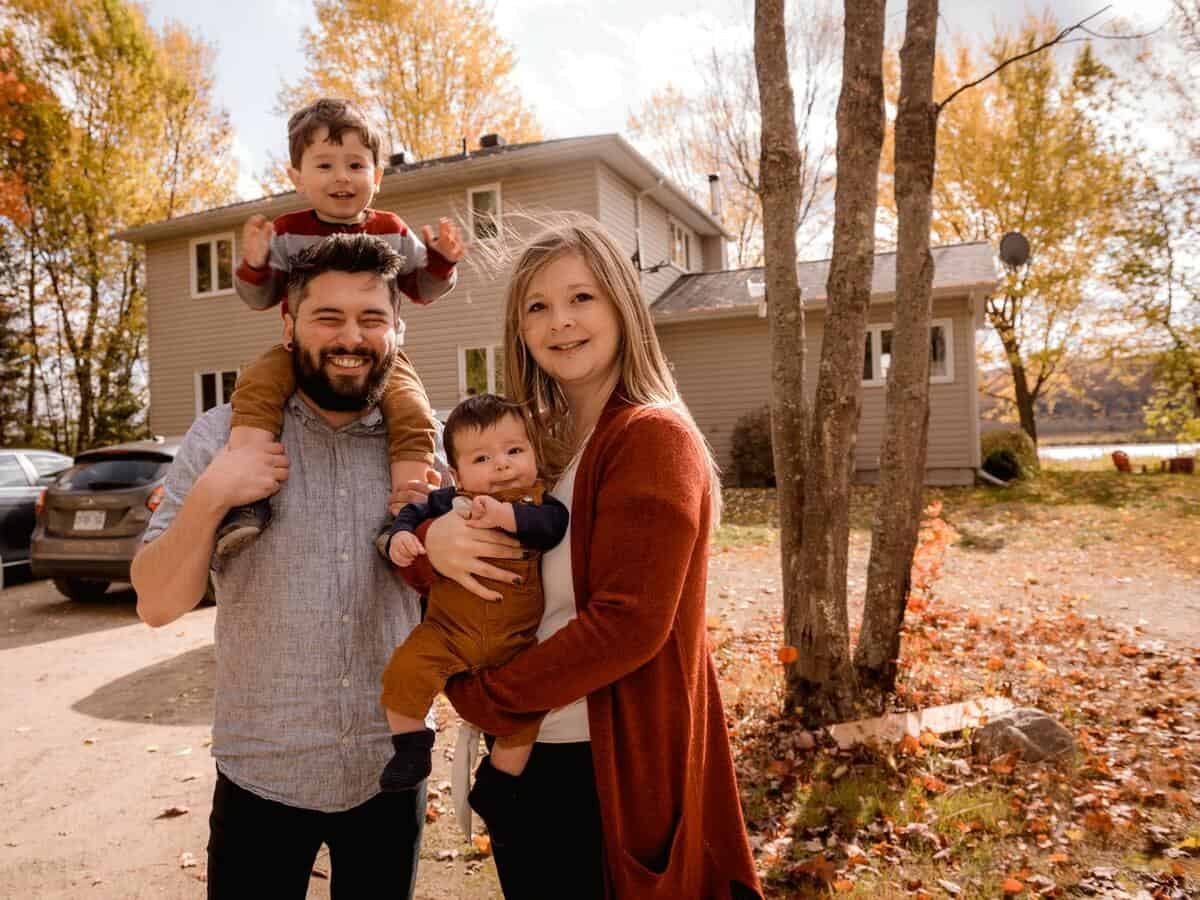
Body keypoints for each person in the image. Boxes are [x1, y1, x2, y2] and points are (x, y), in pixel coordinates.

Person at [402, 217, 763, 898]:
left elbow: (627, 624)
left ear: (622, 305)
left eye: (581, 298)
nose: (560, 322)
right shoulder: (538, 449)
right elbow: (463, 554)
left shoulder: (651, 438)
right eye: (538, 306)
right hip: (537, 763)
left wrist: (481, 698)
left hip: (598, 772)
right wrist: (432, 543)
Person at [131, 234, 440, 899]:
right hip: (260, 771)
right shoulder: (223, 435)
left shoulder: (424, 449)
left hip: (388, 769)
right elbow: (156, 603)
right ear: (289, 325)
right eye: (328, 317)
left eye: (371, 319)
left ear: (396, 329)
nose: (350, 337)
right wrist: (216, 491)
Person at [218, 97, 463, 557]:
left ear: (378, 174)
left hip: (382, 360)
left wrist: (443, 261)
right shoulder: (287, 232)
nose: (342, 177)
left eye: (355, 164)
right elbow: (261, 297)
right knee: (256, 389)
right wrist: (254, 264)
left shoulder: (391, 229)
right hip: (300, 353)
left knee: (413, 410)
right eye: (325, 165)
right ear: (296, 177)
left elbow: (421, 289)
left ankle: (406, 512)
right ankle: (246, 498)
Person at [377, 393, 568, 793]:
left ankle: (498, 785)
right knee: (403, 672)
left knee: (525, 719)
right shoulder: (450, 500)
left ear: (534, 454)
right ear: (457, 476)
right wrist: (401, 538)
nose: (501, 464)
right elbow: (413, 511)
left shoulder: (539, 503)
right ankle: (411, 747)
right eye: (481, 459)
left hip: (515, 643)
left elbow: (552, 526)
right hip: (447, 632)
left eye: (514, 450)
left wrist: (505, 515)